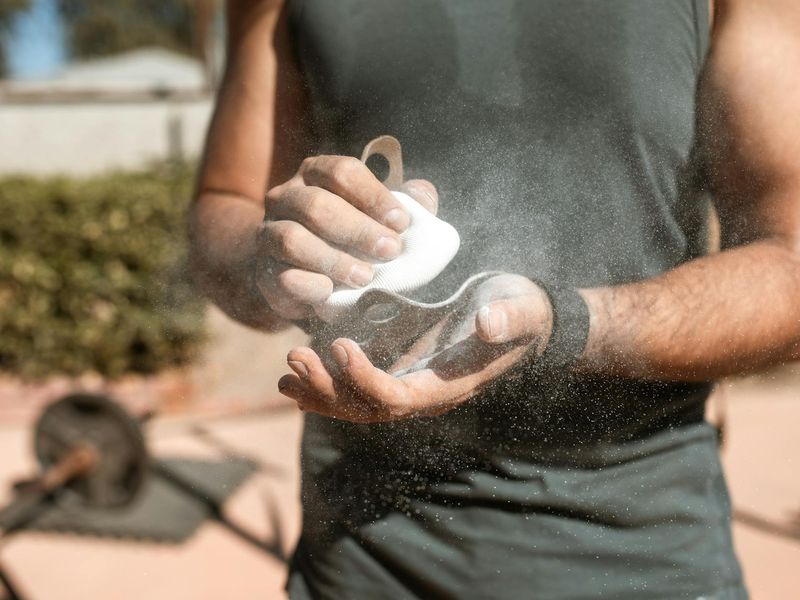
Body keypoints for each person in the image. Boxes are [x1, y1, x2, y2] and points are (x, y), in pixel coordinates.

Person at [189, 0, 800, 597]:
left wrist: (568, 325)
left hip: (640, 553)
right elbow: (224, 203)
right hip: (365, 557)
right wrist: (268, 257)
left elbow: (790, 261)